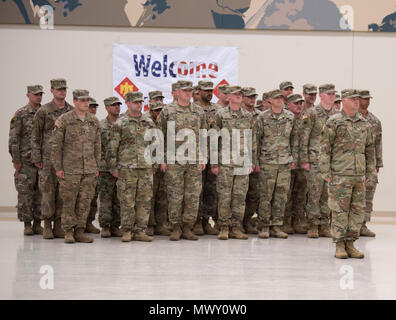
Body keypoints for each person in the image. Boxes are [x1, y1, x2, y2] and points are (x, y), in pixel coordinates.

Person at [320, 89, 375, 259]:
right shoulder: (334, 121)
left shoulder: (364, 123)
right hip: (340, 174)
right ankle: (339, 244)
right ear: (344, 100)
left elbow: (369, 149)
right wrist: (326, 171)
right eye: (353, 99)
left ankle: (351, 243)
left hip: (358, 175)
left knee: (357, 211)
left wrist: (369, 170)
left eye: (357, 99)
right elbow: (324, 149)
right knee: (339, 211)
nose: (356, 102)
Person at [158, 80, 207, 241]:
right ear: (177, 92)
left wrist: (204, 157)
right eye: (184, 91)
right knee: (174, 195)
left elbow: (204, 135)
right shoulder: (168, 111)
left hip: (193, 160)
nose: (188, 93)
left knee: (192, 195)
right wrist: (162, 159)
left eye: (190, 91)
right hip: (174, 160)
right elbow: (160, 136)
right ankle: (176, 227)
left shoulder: (199, 111)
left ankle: (187, 227)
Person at [51, 89, 101, 244]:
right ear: (75, 102)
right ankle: (68, 232)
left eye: (87, 100)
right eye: (82, 100)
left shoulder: (93, 121)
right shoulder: (64, 120)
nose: (86, 103)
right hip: (70, 170)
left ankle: (79, 231)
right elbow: (56, 145)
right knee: (69, 202)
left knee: (84, 202)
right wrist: (58, 167)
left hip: (89, 170)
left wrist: (96, 166)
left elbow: (98, 146)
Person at [107, 91, 157, 242]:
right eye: (135, 102)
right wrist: (113, 168)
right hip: (126, 168)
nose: (139, 105)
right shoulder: (120, 123)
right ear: (127, 103)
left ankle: (140, 230)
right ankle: (127, 230)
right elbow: (112, 147)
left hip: (145, 168)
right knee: (127, 200)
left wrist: (154, 165)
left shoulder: (148, 122)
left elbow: (155, 145)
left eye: (140, 102)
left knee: (144, 200)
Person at [31, 78, 73, 239]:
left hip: (66, 160)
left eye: (64, 89)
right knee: (47, 192)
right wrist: (36, 157)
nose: (62, 91)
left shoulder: (70, 110)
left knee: (63, 193)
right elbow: (35, 136)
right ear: (52, 91)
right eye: (58, 89)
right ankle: (47, 225)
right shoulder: (44, 111)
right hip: (48, 160)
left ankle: (59, 226)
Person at [212, 86, 256, 240]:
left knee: (239, 196)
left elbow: (252, 140)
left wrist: (252, 161)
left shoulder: (248, 116)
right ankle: (223, 227)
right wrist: (214, 163)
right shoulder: (221, 115)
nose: (238, 96)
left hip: (243, 162)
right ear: (228, 97)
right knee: (224, 196)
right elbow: (213, 139)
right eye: (235, 94)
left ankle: (236, 227)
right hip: (225, 162)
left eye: (240, 94)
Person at [255, 89, 298, 239]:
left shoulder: (290, 117)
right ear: (270, 101)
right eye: (276, 98)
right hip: (267, 162)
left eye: (281, 98)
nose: (279, 100)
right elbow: (257, 141)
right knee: (266, 195)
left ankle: (277, 226)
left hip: (285, 161)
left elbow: (294, 139)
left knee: (281, 195)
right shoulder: (262, 117)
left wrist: (293, 158)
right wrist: (256, 161)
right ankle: (264, 226)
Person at [300, 84, 338, 238]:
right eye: (329, 94)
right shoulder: (311, 113)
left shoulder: (337, 115)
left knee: (327, 194)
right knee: (314, 193)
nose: (332, 97)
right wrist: (305, 160)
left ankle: (324, 224)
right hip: (315, 160)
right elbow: (304, 137)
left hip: (331, 162)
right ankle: (313, 224)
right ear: (321, 96)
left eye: (333, 94)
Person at [9, 85, 43, 236]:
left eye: (40, 94)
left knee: (41, 194)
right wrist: (16, 160)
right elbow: (14, 139)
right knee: (26, 194)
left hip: (41, 161)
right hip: (25, 162)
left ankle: (37, 224)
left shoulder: (44, 112)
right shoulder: (21, 114)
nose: (38, 97)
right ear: (28, 95)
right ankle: (27, 225)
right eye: (35, 94)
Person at [194, 80, 221, 236]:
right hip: (197, 155)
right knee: (197, 189)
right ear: (198, 92)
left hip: (213, 155)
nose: (209, 93)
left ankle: (206, 220)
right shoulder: (193, 109)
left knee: (211, 190)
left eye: (211, 90)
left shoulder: (217, 109)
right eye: (206, 90)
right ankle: (196, 221)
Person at [358, 90, 383, 237]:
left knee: (368, 195)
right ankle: (351, 226)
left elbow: (378, 143)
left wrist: (378, 162)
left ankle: (363, 225)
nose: (367, 101)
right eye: (364, 99)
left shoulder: (375, 121)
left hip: (371, 164)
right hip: (355, 163)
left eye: (368, 99)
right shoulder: (353, 118)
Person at [283, 93, 308, 234]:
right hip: (288, 163)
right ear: (288, 105)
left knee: (301, 195)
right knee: (286, 195)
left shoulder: (306, 119)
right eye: (295, 104)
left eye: (300, 103)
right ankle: (285, 222)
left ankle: (298, 221)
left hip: (302, 164)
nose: (299, 106)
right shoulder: (285, 119)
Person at [98, 96, 123, 238]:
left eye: (118, 105)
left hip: (121, 167)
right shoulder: (101, 126)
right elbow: (97, 147)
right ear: (107, 107)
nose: (116, 107)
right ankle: (105, 226)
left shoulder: (123, 123)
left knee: (119, 199)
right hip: (105, 168)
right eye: (113, 105)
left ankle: (115, 225)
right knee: (106, 198)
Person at [147, 102, 171, 236]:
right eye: (156, 111)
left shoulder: (166, 125)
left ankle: (161, 224)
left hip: (164, 164)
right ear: (151, 111)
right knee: (150, 196)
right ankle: (149, 225)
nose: (159, 113)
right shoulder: (147, 124)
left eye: (161, 111)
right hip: (151, 165)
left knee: (162, 196)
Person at [241, 87, 260, 234]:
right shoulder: (236, 114)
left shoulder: (259, 116)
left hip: (253, 160)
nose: (252, 100)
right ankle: (235, 223)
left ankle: (247, 221)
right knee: (238, 195)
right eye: (249, 97)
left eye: (254, 97)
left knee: (253, 194)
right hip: (238, 160)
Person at [85, 97, 101, 234]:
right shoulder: (75, 122)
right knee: (79, 198)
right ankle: (78, 224)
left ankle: (88, 222)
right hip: (78, 167)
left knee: (92, 196)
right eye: (91, 106)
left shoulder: (96, 124)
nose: (93, 109)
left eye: (95, 107)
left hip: (94, 166)